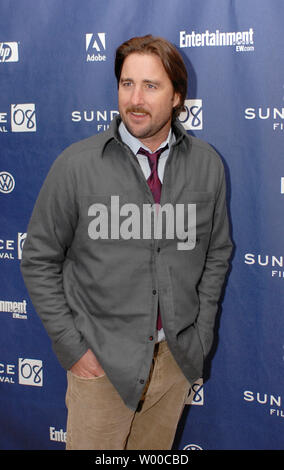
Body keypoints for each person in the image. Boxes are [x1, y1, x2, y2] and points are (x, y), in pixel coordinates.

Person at [20, 34, 232, 450]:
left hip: (174, 363)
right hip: (102, 368)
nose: (135, 98)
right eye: (126, 83)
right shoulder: (76, 165)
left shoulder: (208, 164)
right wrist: (75, 350)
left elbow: (217, 252)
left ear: (177, 96)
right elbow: (38, 259)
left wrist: (200, 335)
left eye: (151, 86)